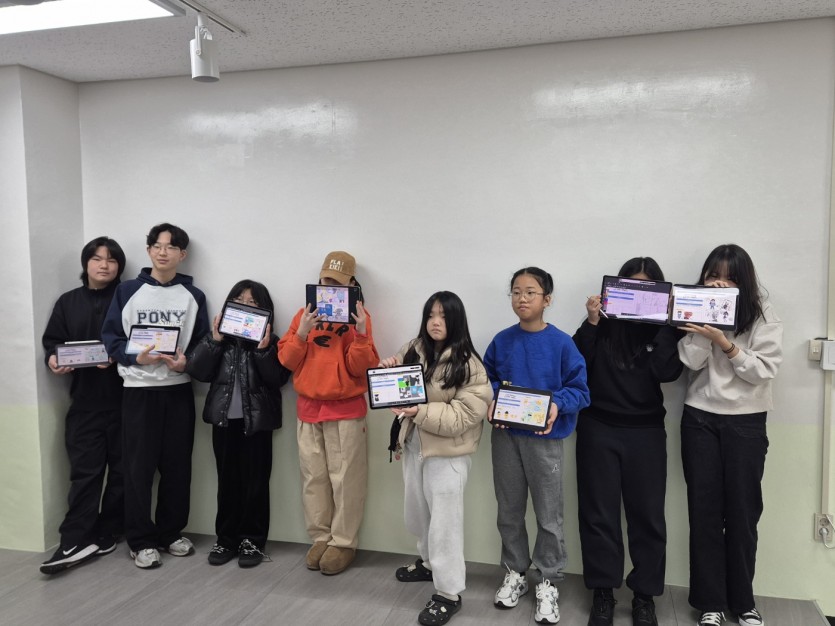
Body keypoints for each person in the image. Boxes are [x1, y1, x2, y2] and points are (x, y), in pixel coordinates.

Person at [572, 258, 684, 626]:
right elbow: (576, 364)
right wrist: (592, 320)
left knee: (647, 517)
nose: (638, 296)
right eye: (630, 287)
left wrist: (667, 322)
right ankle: (603, 592)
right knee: (598, 514)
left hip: (646, 432)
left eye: (647, 289)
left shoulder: (663, 330)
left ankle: (644, 596)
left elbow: (668, 372)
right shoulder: (602, 324)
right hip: (598, 428)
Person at [678, 244, 782, 626]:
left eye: (729, 277)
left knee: (743, 514)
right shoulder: (694, 306)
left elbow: (763, 370)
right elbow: (688, 362)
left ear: (743, 281)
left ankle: (743, 603)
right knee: (704, 514)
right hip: (699, 418)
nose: (719, 283)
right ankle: (710, 603)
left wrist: (725, 342)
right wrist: (708, 327)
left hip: (746, 421)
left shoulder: (762, 312)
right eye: (713, 276)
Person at [484, 267, 590, 625]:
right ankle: (515, 572)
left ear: (547, 299)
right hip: (506, 438)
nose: (522, 298)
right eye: (516, 291)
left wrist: (557, 404)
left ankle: (548, 580)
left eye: (530, 292)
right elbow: (486, 380)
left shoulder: (562, 343)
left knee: (549, 514)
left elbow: (580, 391)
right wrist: (493, 400)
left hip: (545, 441)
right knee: (509, 510)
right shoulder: (501, 341)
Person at [380, 291, 492, 626]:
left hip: (449, 454)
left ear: (456, 320)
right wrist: (388, 370)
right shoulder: (414, 348)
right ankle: (428, 564)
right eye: (430, 315)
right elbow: (398, 385)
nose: (435, 322)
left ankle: (449, 593)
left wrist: (419, 411)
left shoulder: (469, 364)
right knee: (417, 514)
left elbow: (464, 416)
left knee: (445, 525)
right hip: (414, 445)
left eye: (443, 315)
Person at [102, 223, 209, 569]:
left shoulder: (193, 296)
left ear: (182, 254)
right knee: (138, 470)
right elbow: (111, 338)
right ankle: (140, 540)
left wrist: (186, 363)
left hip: (178, 391)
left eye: (171, 247)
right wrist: (137, 358)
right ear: (148, 250)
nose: (163, 252)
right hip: (138, 391)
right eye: (157, 246)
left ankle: (170, 533)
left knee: (178, 467)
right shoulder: (128, 291)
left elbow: (202, 343)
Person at [277, 251, 379, 575]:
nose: (331, 288)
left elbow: (361, 368)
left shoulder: (359, 316)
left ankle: (343, 543)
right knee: (313, 479)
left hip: (345, 410)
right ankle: (320, 538)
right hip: (308, 409)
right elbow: (286, 361)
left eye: (338, 283)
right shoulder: (302, 315)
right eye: (326, 281)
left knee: (346, 480)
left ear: (352, 284)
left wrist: (360, 333)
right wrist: (301, 332)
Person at [186, 280, 291, 568]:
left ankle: (252, 541)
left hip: (257, 423)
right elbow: (197, 370)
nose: (245, 306)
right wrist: (214, 340)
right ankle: (226, 539)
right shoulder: (219, 340)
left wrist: (263, 349)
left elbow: (278, 379)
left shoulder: (272, 341)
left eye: (253, 302)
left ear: (265, 310)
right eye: (239, 300)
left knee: (256, 484)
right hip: (223, 423)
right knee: (227, 482)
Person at [39, 237, 127, 575]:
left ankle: (109, 530)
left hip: (127, 402)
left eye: (111, 260)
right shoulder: (68, 302)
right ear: (86, 263)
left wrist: (116, 356)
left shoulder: (128, 298)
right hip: (85, 403)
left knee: (123, 473)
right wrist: (53, 359)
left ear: (119, 266)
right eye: (96, 258)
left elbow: (142, 341)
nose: (104, 265)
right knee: (85, 473)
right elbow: (53, 342)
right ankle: (75, 539)